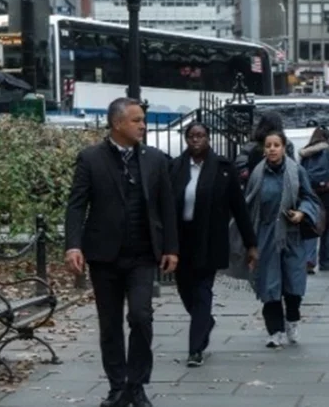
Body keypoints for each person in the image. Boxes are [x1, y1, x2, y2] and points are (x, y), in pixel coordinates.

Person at [64, 97, 179, 407]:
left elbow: (167, 206)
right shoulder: (90, 159)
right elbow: (76, 205)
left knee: (141, 317)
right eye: (136, 120)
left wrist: (171, 248)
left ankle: (137, 383)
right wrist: (73, 245)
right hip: (104, 255)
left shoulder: (155, 159)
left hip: (142, 254)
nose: (143, 125)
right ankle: (118, 387)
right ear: (117, 124)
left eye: (143, 120)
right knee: (110, 323)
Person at [170, 122, 258, 367]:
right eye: (191, 136)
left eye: (201, 136)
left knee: (202, 291)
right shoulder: (176, 167)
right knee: (185, 290)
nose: (196, 140)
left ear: (208, 139)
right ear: (186, 140)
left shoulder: (223, 168)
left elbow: (239, 209)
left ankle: (195, 348)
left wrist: (251, 244)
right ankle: (205, 322)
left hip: (209, 238)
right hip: (181, 239)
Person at [245, 130, 323, 348]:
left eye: (276, 145)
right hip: (266, 234)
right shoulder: (258, 174)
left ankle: (292, 319)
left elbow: (310, 198)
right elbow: (249, 203)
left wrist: (302, 213)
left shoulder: (296, 171)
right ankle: (275, 331)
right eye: (268, 145)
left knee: (293, 284)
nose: (271, 149)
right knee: (269, 286)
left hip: (291, 235)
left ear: (283, 147)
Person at [299, 126, 329, 273]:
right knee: (327, 231)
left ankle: (308, 261)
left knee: (311, 228)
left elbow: (300, 176)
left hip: (311, 196)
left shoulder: (305, 155)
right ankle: (325, 263)